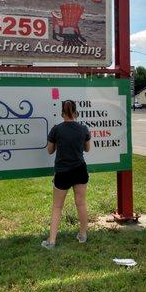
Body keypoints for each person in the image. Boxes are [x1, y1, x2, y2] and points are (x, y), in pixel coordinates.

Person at [41, 100, 91, 249]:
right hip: (80, 170)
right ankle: (82, 235)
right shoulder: (83, 129)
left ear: (62, 113)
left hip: (62, 172)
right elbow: (87, 149)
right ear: (76, 113)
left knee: (57, 207)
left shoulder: (56, 129)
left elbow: (50, 151)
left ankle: (51, 241)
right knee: (81, 203)